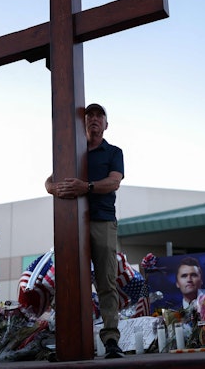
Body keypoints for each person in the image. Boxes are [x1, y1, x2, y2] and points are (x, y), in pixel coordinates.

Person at [45, 103, 124, 359]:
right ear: (83, 122)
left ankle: (111, 340)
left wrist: (85, 187)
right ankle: (67, 341)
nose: (94, 119)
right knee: (68, 283)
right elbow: (48, 181)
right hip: (72, 225)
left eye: (99, 116)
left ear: (106, 125)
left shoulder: (113, 151)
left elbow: (114, 182)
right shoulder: (71, 151)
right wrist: (56, 189)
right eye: (89, 115)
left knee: (106, 282)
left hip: (102, 221)